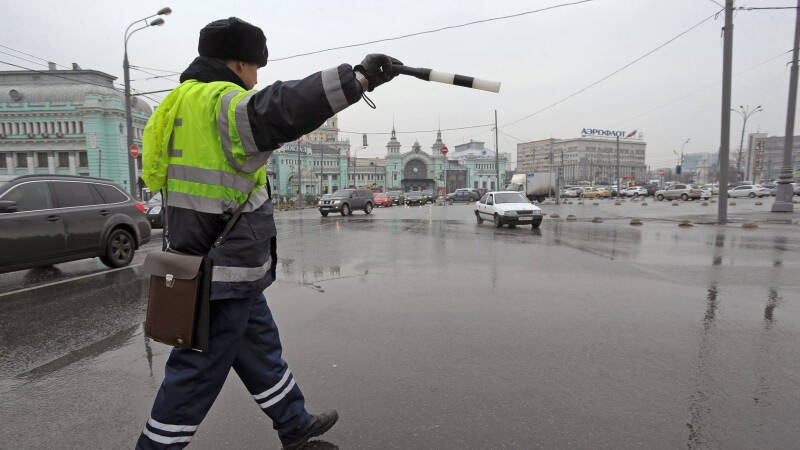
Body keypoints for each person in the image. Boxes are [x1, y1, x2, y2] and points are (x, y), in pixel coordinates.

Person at [137, 17, 401, 450]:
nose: (256, 78)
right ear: (239, 62)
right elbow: (281, 107)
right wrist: (357, 79)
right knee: (195, 374)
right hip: (221, 264)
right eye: (255, 67)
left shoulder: (176, 104)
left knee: (259, 349)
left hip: (212, 260)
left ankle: (294, 425)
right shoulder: (221, 101)